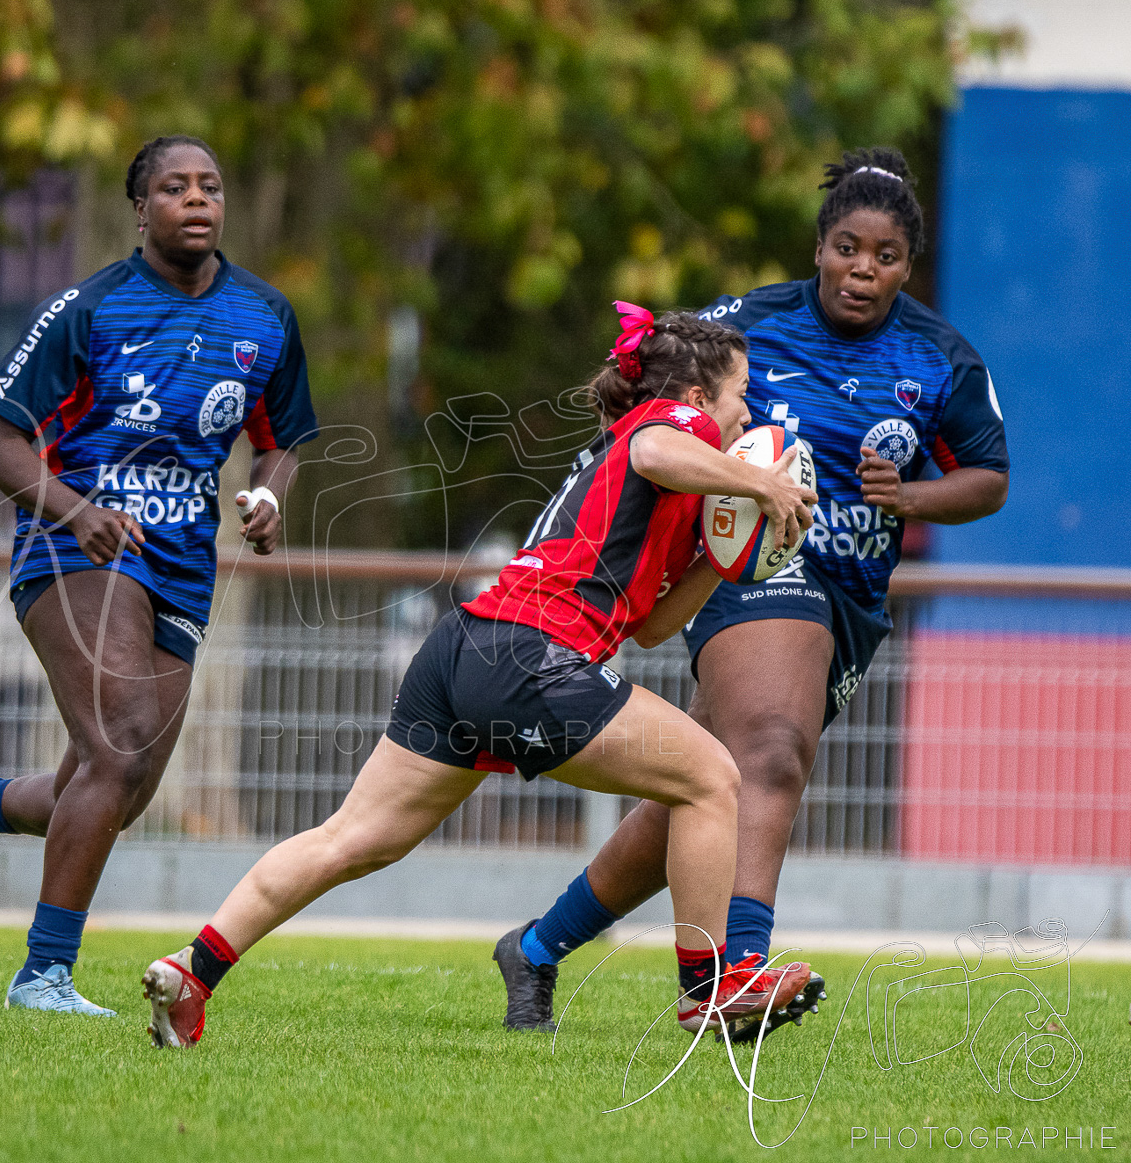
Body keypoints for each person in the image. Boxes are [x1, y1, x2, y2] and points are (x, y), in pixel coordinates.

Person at [141, 307, 823, 1048]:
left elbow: (652, 627)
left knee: (353, 839)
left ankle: (193, 970)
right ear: (696, 399)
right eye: (741, 394)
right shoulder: (670, 427)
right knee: (712, 778)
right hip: (532, 652)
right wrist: (763, 485)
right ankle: (711, 992)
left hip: (466, 646)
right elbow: (659, 447)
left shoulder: (670, 485)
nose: (748, 413)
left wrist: (727, 558)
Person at [497, 148, 1010, 1042]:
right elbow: (648, 379)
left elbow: (990, 477)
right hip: (746, 566)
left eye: (885, 256)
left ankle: (536, 948)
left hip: (853, 600)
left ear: (907, 267)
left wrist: (911, 498)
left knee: (704, 789)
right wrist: (624, 423)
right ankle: (736, 975)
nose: (863, 269)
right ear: (819, 247)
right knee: (771, 749)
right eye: (847, 248)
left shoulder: (940, 357)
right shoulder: (748, 323)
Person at [0, 135, 319, 1016]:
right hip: (73, 549)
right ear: (141, 209)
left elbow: (283, 441)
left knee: (118, 782)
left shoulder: (265, 316)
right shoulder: (88, 309)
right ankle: (42, 976)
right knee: (118, 747)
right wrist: (77, 512)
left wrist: (270, 496)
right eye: (174, 188)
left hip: (183, 564)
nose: (197, 200)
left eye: (210, 186)